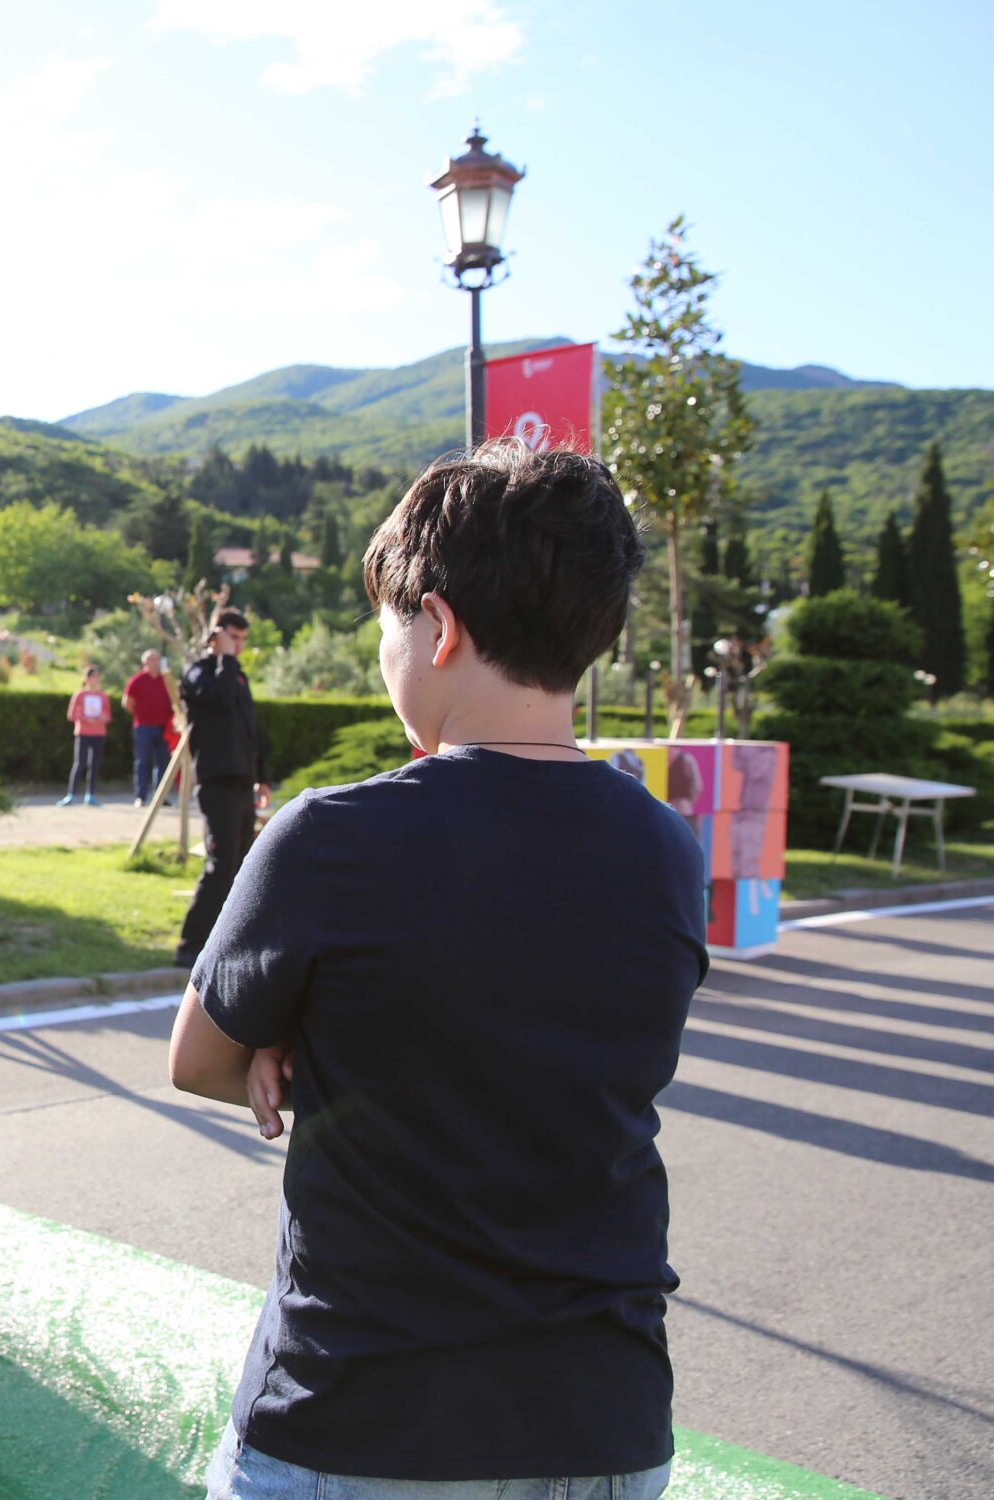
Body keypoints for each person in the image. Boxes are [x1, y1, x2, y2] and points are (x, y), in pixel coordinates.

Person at [168, 445, 703, 1499]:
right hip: (603, 1422)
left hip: (361, 1416)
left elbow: (198, 1060)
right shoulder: (665, 849)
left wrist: (292, 1040)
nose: (385, 652)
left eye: (386, 624)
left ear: (440, 627)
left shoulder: (333, 837)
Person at [172, 611, 267, 965]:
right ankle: (190, 945)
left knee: (242, 864)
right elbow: (222, 698)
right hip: (216, 782)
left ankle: (228, 942)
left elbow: (251, 730)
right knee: (221, 862)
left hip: (242, 783)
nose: (238, 646)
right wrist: (222, 657)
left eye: (242, 640)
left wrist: (263, 777)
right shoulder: (198, 673)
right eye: (233, 638)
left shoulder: (238, 675)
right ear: (216, 636)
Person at [59, 664, 115, 806]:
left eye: (97, 676)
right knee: (80, 763)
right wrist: (85, 718)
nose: (96, 679)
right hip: (83, 733)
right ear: (87, 678)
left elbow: (108, 716)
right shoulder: (80, 695)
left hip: (99, 733)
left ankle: (90, 795)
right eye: (93, 676)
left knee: (94, 765)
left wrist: (102, 718)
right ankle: (71, 794)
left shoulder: (103, 696)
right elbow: (71, 715)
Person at [125, 648, 176, 803]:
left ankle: (161, 797)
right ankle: (141, 796)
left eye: (157, 659)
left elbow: (175, 699)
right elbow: (127, 703)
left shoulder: (166, 680)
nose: (155, 662)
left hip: (164, 728)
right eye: (152, 659)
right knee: (142, 762)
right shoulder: (137, 680)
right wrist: (141, 715)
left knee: (162, 763)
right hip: (143, 727)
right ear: (145, 662)